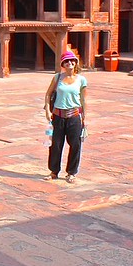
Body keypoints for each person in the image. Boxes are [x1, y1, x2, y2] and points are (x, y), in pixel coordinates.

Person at [43, 50, 87, 183]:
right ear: (63, 64)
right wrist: (47, 111)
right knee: (55, 144)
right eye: (66, 61)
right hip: (58, 115)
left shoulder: (81, 80)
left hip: (74, 116)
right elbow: (48, 94)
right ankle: (54, 171)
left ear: (76, 63)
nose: (69, 63)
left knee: (75, 144)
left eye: (72, 61)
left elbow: (83, 100)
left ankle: (71, 172)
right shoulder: (57, 78)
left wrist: (85, 117)